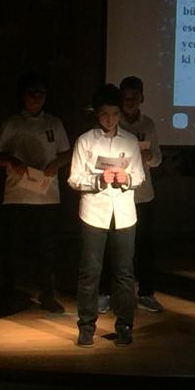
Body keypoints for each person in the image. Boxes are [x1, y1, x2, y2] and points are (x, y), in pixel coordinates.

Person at [68, 84, 145, 347]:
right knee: (90, 272)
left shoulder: (130, 141)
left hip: (124, 214)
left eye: (114, 114)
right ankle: (86, 326)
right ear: (97, 114)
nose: (110, 120)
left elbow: (140, 176)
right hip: (94, 212)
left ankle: (124, 326)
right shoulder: (85, 140)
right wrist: (98, 180)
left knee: (124, 273)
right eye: (104, 114)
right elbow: (74, 178)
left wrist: (127, 178)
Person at [0, 72, 71, 314]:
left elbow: (66, 153)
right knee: (13, 249)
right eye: (32, 93)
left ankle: (48, 295)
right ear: (23, 96)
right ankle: (8, 296)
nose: (37, 98)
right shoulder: (12, 123)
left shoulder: (54, 123)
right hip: (17, 196)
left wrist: (56, 164)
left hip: (47, 197)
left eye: (41, 93)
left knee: (47, 250)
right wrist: (11, 161)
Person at [119, 75, 165, 313]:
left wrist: (150, 156)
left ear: (142, 98)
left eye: (134, 97)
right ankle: (109, 293)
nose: (130, 101)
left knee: (146, 245)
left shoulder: (148, 124)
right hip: (117, 193)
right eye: (126, 97)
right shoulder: (113, 121)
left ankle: (146, 293)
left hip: (143, 194)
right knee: (115, 245)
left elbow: (158, 158)